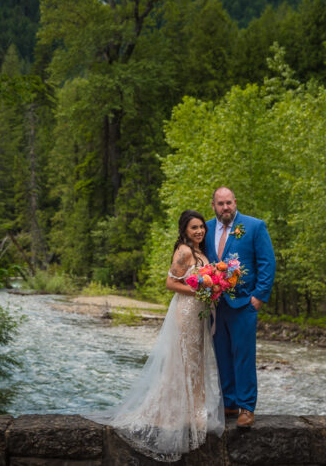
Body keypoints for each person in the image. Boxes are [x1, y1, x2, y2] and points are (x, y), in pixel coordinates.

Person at [90, 210, 224, 461]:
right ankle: (176, 411)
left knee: (196, 360)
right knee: (183, 359)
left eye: (201, 227)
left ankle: (193, 410)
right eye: (194, 228)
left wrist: (213, 288)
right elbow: (170, 283)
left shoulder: (201, 252)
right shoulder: (184, 251)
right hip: (186, 310)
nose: (199, 231)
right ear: (184, 230)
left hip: (200, 313)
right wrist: (199, 292)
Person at [206, 186, 276, 428]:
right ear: (213, 205)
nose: (226, 208)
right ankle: (230, 402)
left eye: (229, 203)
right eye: (221, 204)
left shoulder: (255, 227)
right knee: (222, 354)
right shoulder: (205, 229)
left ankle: (247, 407)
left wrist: (259, 296)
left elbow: (267, 262)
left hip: (244, 302)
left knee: (243, 356)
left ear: (235, 202)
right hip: (216, 304)